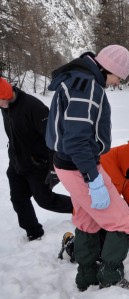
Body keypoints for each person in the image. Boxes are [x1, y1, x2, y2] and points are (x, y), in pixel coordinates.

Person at [45, 45, 129, 291]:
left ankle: (87, 276)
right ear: (109, 68)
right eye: (119, 77)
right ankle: (110, 277)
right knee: (124, 223)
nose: (118, 83)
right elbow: (76, 139)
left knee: (88, 221)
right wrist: (93, 179)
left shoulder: (80, 79)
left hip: (72, 164)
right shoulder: (87, 87)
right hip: (79, 166)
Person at [59, 140, 129, 263]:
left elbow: (127, 185)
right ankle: (71, 245)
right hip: (94, 210)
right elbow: (92, 199)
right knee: (98, 253)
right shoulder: (103, 163)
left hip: (111, 205)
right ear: (128, 160)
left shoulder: (124, 165)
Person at [0, 78, 73, 241]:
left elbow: (54, 138)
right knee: (18, 198)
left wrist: (54, 167)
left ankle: (81, 208)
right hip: (17, 163)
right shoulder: (5, 106)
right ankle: (33, 231)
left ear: (5, 95)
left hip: (38, 164)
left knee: (45, 201)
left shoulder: (33, 107)